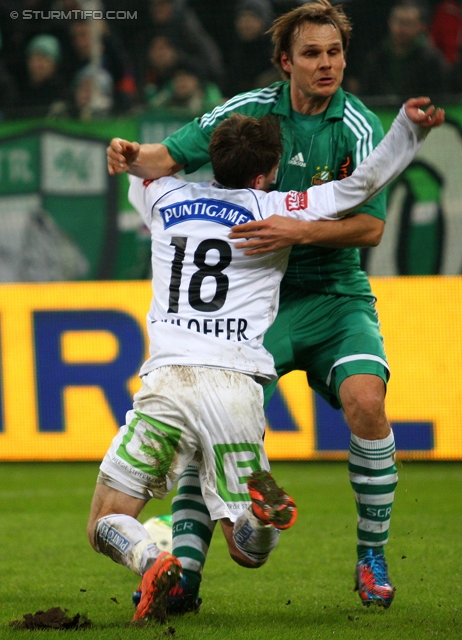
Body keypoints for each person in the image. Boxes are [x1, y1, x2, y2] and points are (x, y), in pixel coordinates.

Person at [106, 0, 436, 611]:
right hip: (265, 300)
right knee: (210, 423)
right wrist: (127, 152)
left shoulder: (358, 126)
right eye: (312, 54)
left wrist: (299, 232)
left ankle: (370, 556)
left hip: (336, 295)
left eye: (334, 52)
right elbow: (163, 157)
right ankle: (185, 576)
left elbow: (368, 227)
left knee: (367, 401)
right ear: (285, 62)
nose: (326, 64)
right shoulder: (247, 114)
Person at [359, 0, 449, 100]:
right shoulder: (376, 59)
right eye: (398, 21)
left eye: (408, 23)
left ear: (420, 26)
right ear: (389, 22)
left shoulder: (432, 61)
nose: (401, 29)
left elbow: (442, 98)